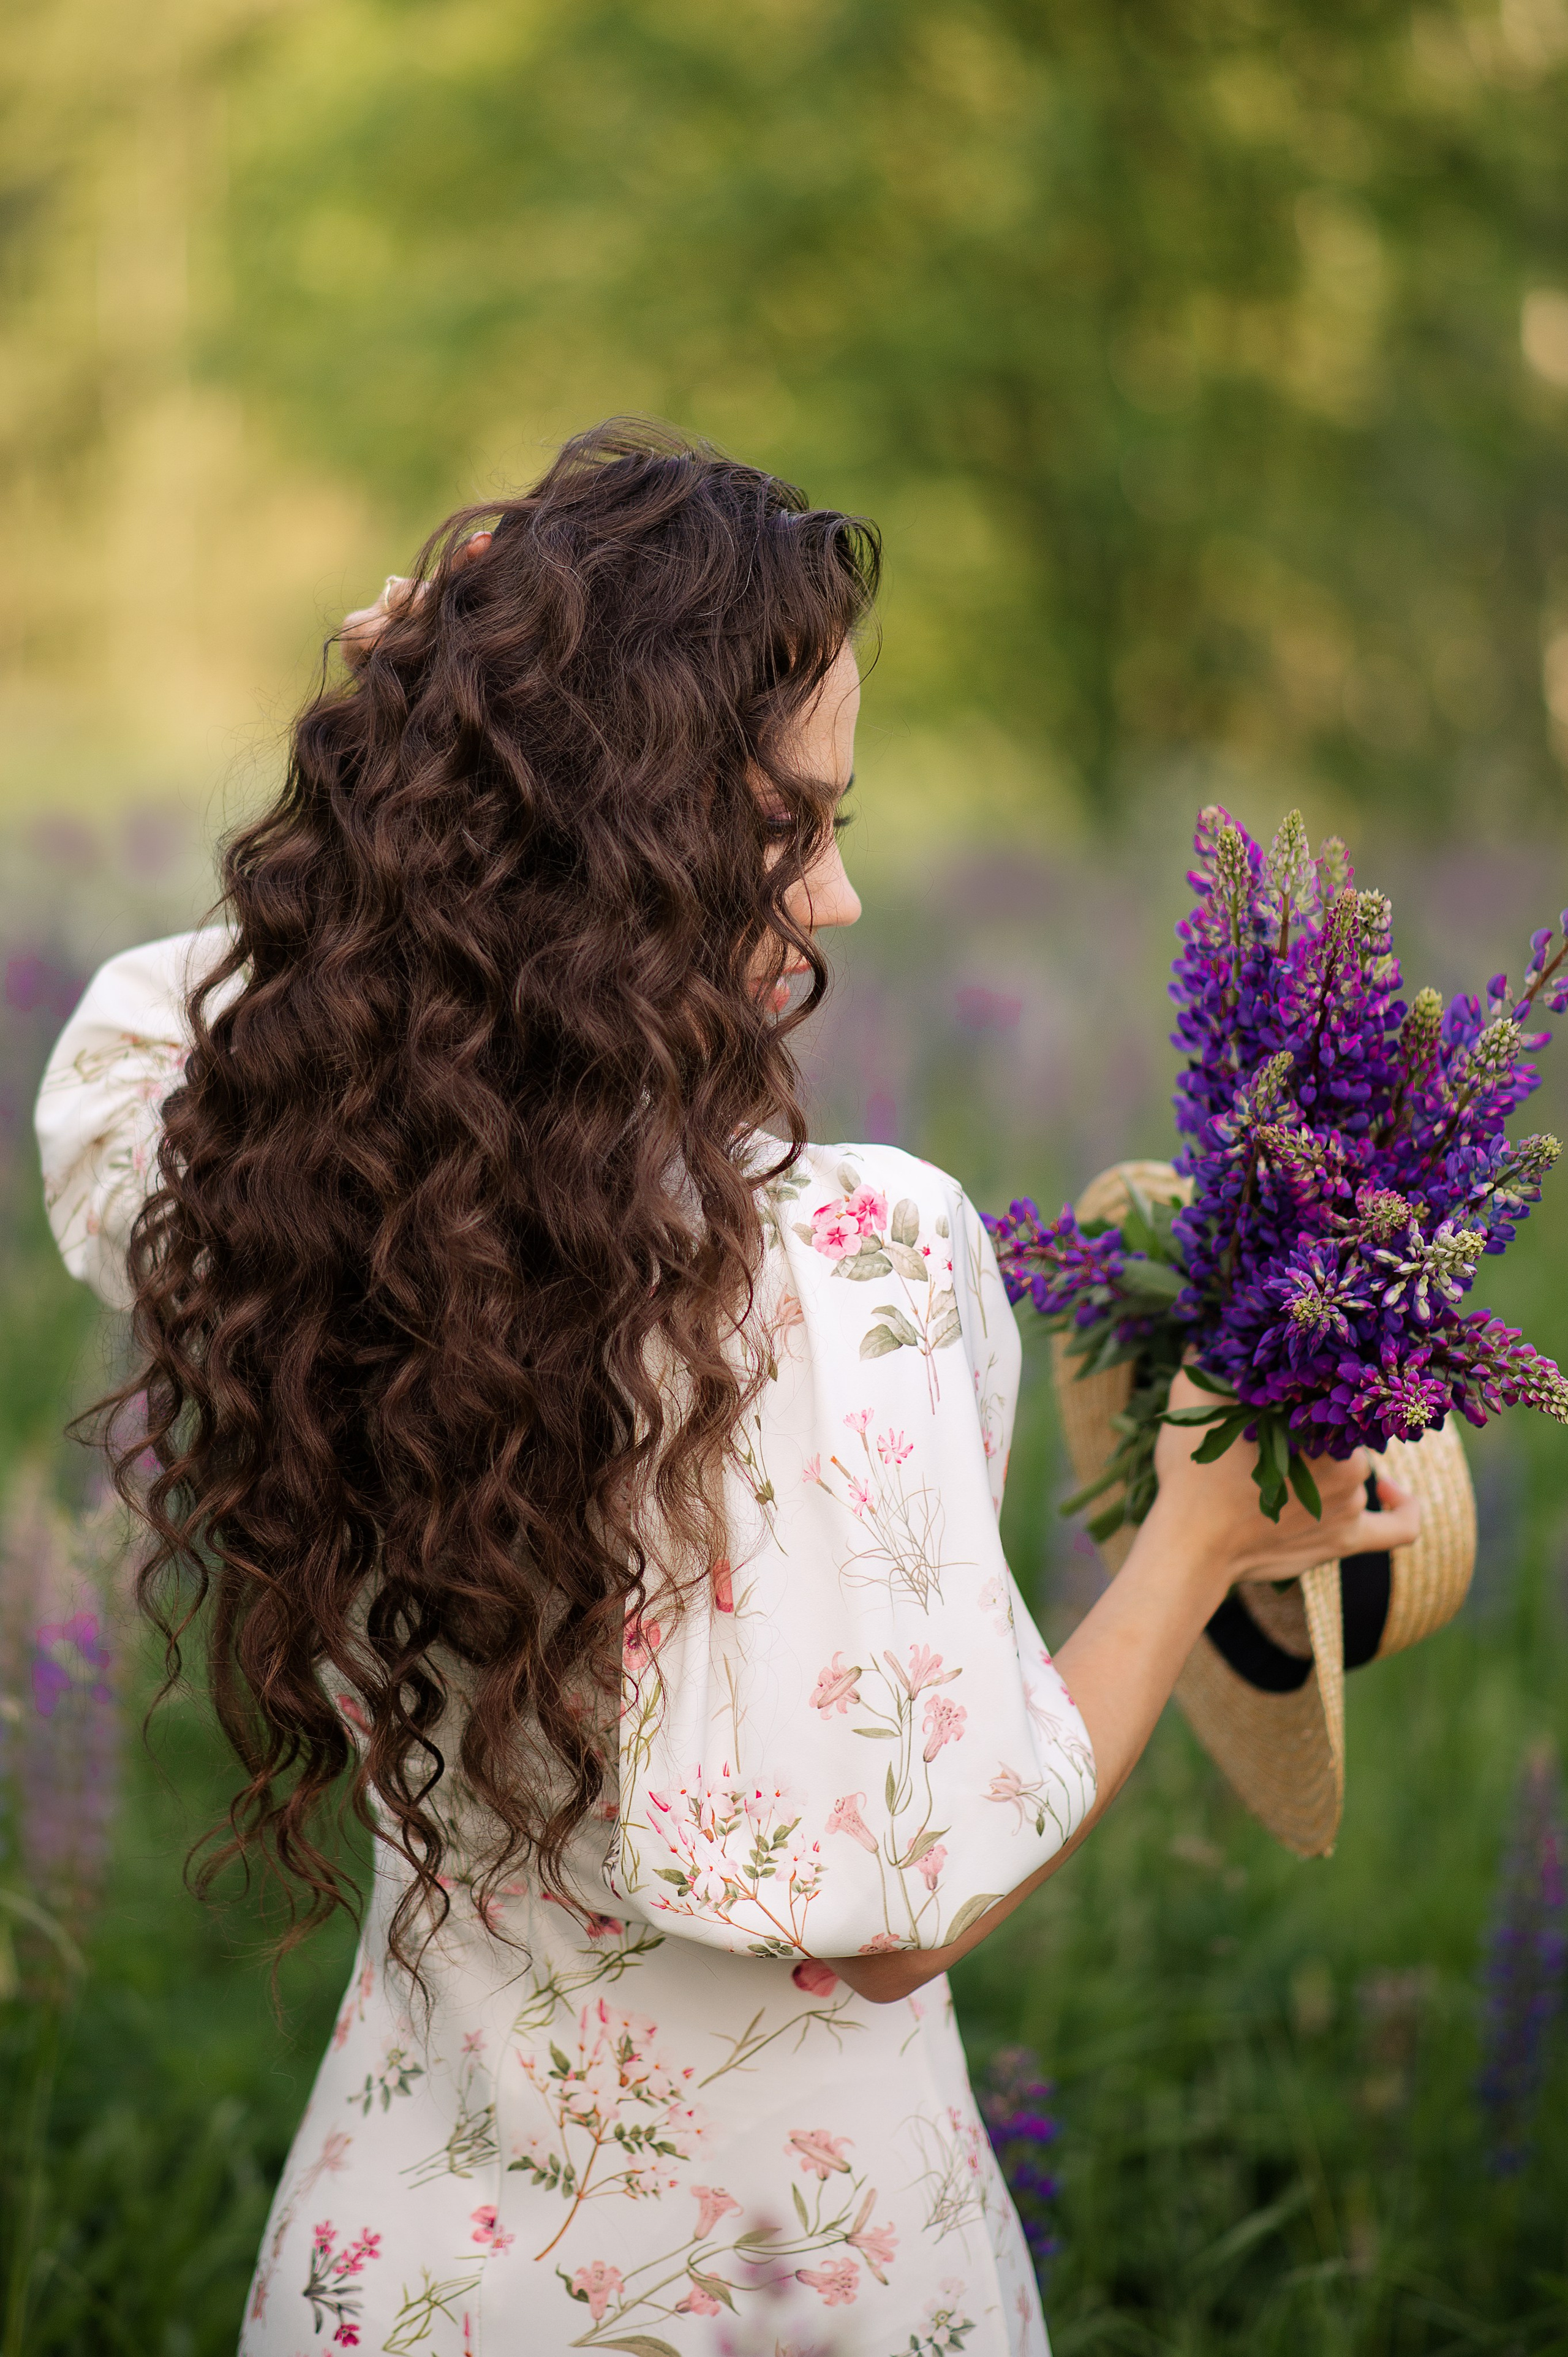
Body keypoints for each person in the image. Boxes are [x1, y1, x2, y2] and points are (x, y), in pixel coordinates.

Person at [35, 423, 1418, 2357]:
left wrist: (418, 768)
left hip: (397, 2273)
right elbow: (902, 1923)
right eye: (794, 824)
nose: (837, 898)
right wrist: (1193, 1545)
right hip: (784, 2289)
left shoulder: (291, 1188)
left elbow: (164, 1030)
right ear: (621, 835)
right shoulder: (837, 1265)